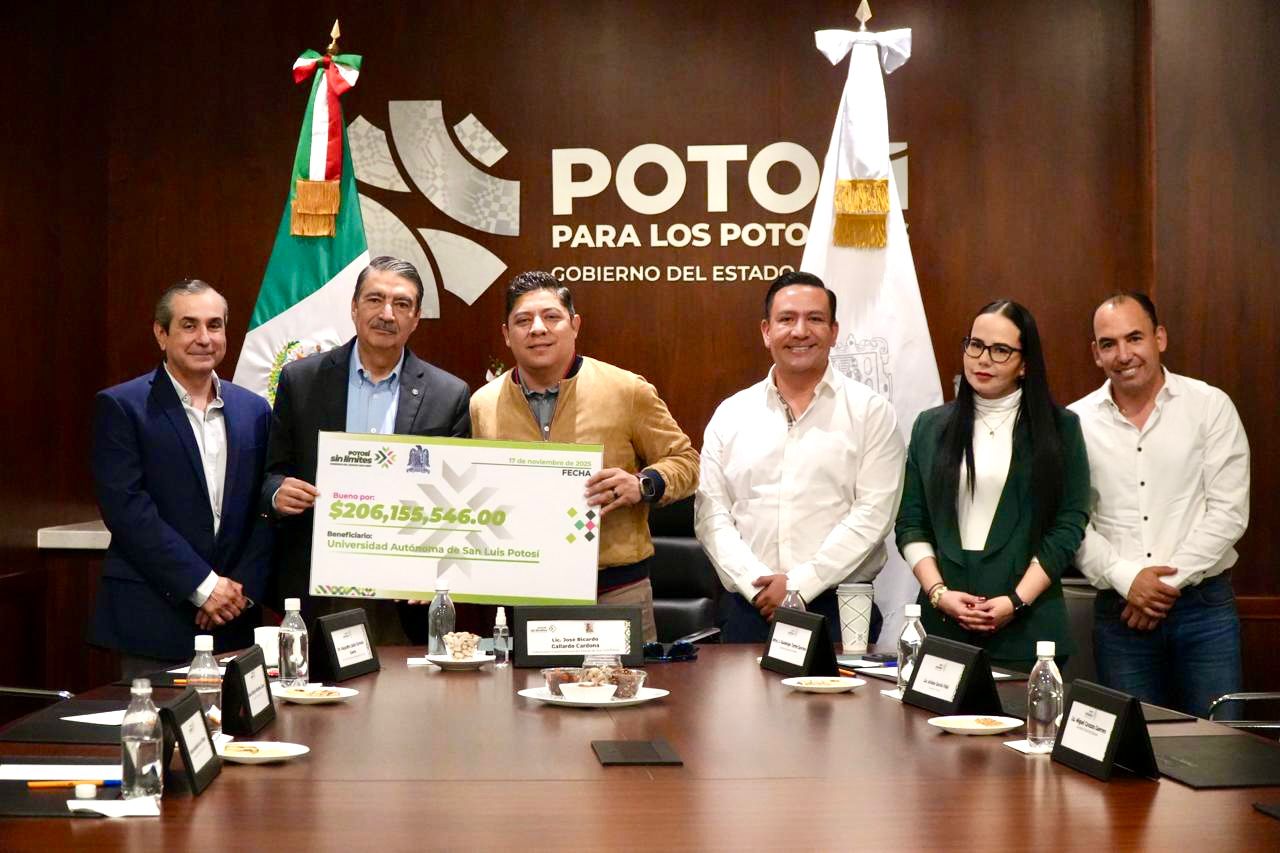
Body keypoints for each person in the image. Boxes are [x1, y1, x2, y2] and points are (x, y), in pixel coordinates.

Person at [469, 271, 699, 642]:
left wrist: (643, 484)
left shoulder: (626, 390)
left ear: (575, 325)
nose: (538, 329)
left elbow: (686, 462)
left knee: (627, 681)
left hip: (615, 590)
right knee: (529, 683)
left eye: (551, 317)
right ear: (506, 334)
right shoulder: (484, 404)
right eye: (523, 321)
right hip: (526, 594)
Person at [262, 256, 471, 642]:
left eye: (401, 304)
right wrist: (278, 493)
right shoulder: (302, 380)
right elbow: (272, 471)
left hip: (404, 592)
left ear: (416, 318)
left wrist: (436, 569)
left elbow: (456, 502)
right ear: (354, 307)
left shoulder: (448, 394)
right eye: (375, 299)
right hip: (319, 585)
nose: (387, 314)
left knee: (401, 683)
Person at [696, 271, 904, 644]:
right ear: (766, 331)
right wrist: (756, 585)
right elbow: (711, 515)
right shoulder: (731, 414)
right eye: (787, 319)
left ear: (834, 331)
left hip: (837, 607)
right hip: (750, 605)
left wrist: (799, 585)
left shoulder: (871, 412)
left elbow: (874, 515)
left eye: (815, 319)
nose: (800, 331)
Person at [1071, 292, 1249, 718]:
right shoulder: (1074, 423)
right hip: (1119, 616)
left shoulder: (1209, 406)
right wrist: (1128, 580)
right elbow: (1071, 523)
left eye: (1135, 338)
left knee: (1219, 746)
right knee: (1134, 748)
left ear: (1160, 338)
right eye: (1109, 344)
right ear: (1096, 353)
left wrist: (1158, 590)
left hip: (1204, 612)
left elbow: (1228, 512)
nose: (1124, 354)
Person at [895, 300, 1090, 672]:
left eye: (1001, 350)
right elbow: (910, 522)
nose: (983, 359)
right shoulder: (930, 427)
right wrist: (938, 593)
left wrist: (1016, 601)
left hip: (1028, 630)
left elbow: (1069, 525)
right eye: (976, 345)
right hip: (942, 624)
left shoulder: (1061, 428)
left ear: (1025, 363)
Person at [91, 280, 272, 679]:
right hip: (155, 617)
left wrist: (237, 592)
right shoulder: (122, 407)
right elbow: (127, 511)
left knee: (240, 722)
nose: (204, 338)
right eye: (189, 325)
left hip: (234, 620)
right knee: (156, 720)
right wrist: (204, 587)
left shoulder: (254, 410)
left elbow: (264, 507)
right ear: (161, 334)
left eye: (214, 325)